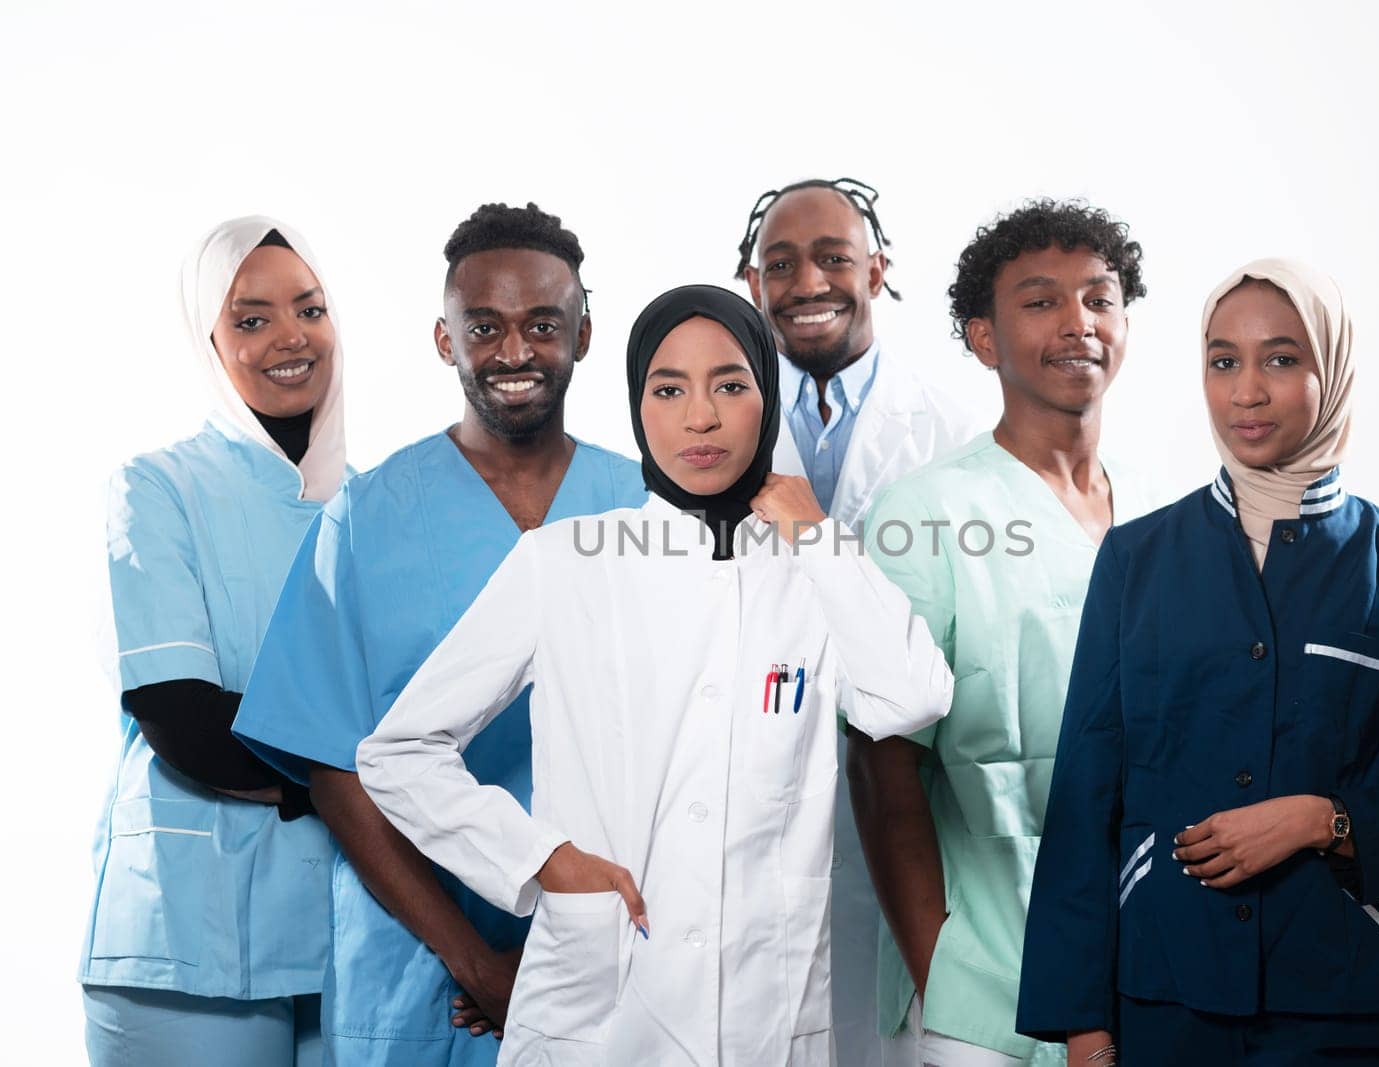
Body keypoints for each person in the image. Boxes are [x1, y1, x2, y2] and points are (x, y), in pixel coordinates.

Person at [356, 284, 954, 1066]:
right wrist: (537, 858)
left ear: (765, 402)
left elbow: (911, 697)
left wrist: (816, 535)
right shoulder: (564, 563)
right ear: (638, 403)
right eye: (668, 388)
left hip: (768, 1020)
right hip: (599, 1012)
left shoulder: (815, 570)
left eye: (731, 385)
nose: (699, 417)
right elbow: (397, 752)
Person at [1016, 259, 1379, 1066]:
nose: (1246, 391)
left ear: (1334, 369)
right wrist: (1082, 1020)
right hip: (1165, 996)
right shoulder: (1136, 559)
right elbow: (1085, 799)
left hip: (1351, 1007)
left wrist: (1325, 819)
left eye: (1281, 359)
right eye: (1224, 361)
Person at [233, 204, 644, 1066]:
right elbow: (333, 762)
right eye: (483, 327)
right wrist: (476, 961)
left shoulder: (647, 508)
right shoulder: (370, 516)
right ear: (443, 338)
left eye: (543, 324)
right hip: (415, 965)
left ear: (586, 333)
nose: (515, 352)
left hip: (615, 954)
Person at [852, 200, 1157, 1066]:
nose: (1078, 324)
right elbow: (881, 765)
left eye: (1099, 298)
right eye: (1040, 301)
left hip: (1145, 970)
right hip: (986, 982)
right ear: (983, 338)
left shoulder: (1161, 513)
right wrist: (939, 964)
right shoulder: (925, 514)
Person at [736, 177, 993, 1061]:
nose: (808, 282)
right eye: (780, 263)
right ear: (749, 281)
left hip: (918, 814)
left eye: (834, 257)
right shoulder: (710, 432)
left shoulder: (957, 438)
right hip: (760, 812)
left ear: (877, 268)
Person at [81, 216, 346, 1066]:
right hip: (189, 940)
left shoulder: (376, 505)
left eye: (309, 308)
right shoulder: (160, 486)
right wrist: (365, 771)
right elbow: (185, 718)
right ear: (209, 341)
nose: (289, 337)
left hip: (352, 929)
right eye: (251, 318)